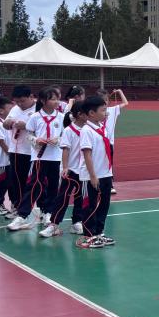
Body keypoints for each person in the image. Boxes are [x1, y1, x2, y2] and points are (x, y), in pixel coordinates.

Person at [9, 87, 64, 231]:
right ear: (43, 101)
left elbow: (65, 135)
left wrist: (57, 140)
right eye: (53, 99)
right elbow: (28, 135)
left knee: (53, 186)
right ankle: (22, 215)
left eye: (57, 99)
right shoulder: (35, 117)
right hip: (39, 158)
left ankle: (48, 213)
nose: (57, 102)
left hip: (55, 157)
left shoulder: (61, 117)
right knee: (34, 186)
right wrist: (36, 140)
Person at [41, 102, 87, 238]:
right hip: (71, 170)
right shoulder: (68, 130)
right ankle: (54, 225)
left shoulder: (89, 129)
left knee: (80, 197)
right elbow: (66, 150)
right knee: (62, 197)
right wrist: (66, 167)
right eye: (88, 112)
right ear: (80, 114)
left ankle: (77, 222)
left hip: (84, 170)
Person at [78, 96, 115, 248]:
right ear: (92, 113)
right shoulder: (86, 130)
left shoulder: (102, 128)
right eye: (103, 110)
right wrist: (93, 176)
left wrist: (109, 172)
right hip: (91, 176)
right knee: (90, 205)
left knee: (104, 205)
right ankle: (89, 235)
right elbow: (87, 154)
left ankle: (99, 232)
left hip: (105, 174)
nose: (106, 113)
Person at [3, 86, 37, 218]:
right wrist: (7, 123)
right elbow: (6, 124)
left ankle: (41, 209)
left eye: (22, 101)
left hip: (34, 152)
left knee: (35, 181)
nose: (20, 104)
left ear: (31, 97)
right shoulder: (15, 109)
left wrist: (26, 126)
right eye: (17, 101)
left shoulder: (39, 108)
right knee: (16, 181)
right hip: (16, 151)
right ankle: (18, 208)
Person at [99, 88, 129, 194]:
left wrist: (120, 92)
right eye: (102, 100)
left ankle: (110, 184)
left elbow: (125, 103)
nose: (105, 102)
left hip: (109, 142)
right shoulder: (94, 112)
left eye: (106, 100)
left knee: (109, 163)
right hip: (97, 142)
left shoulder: (113, 110)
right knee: (97, 162)